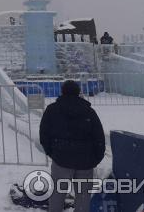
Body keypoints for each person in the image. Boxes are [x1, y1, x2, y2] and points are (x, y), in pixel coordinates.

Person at [39, 80, 105, 212]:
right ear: (78, 92)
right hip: (85, 160)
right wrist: (95, 158)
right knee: (83, 196)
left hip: (61, 159)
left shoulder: (52, 110)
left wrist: (52, 152)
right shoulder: (89, 111)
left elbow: (44, 133)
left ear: (62, 91)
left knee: (57, 194)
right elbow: (99, 136)